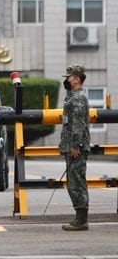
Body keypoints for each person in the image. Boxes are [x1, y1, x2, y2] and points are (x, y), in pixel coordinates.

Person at [59, 64, 91, 231]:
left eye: (69, 78)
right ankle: (80, 218)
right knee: (74, 182)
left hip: (75, 147)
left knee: (77, 182)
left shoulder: (78, 98)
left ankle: (82, 220)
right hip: (72, 146)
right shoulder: (73, 96)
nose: (67, 80)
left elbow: (78, 124)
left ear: (77, 79)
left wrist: (75, 146)